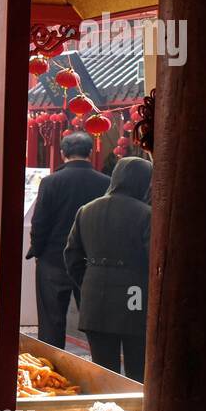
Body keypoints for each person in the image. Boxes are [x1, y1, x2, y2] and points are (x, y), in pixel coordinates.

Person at [64, 156, 153, 381]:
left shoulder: (86, 210)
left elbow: (72, 256)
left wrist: (88, 283)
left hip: (95, 298)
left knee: (103, 372)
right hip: (135, 297)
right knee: (137, 371)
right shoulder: (147, 214)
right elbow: (153, 258)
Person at [26, 131, 110, 348]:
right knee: (94, 320)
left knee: (51, 320)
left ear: (62, 153)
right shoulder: (105, 183)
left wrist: (37, 249)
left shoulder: (51, 182)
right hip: (91, 260)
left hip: (53, 259)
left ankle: (50, 370)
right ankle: (100, 365)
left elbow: (40, 222)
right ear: (90, 152)